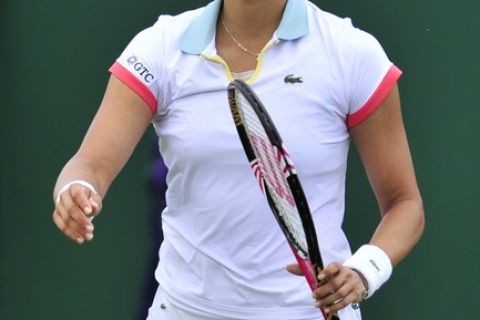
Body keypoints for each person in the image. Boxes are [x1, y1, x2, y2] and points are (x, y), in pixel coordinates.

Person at [52, 0, 425, 319]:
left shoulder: (351, 53)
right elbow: (90, 164)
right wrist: (77, 189)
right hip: (184, 309)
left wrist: (364, 271)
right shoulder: (160, 47)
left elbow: (405, 204)